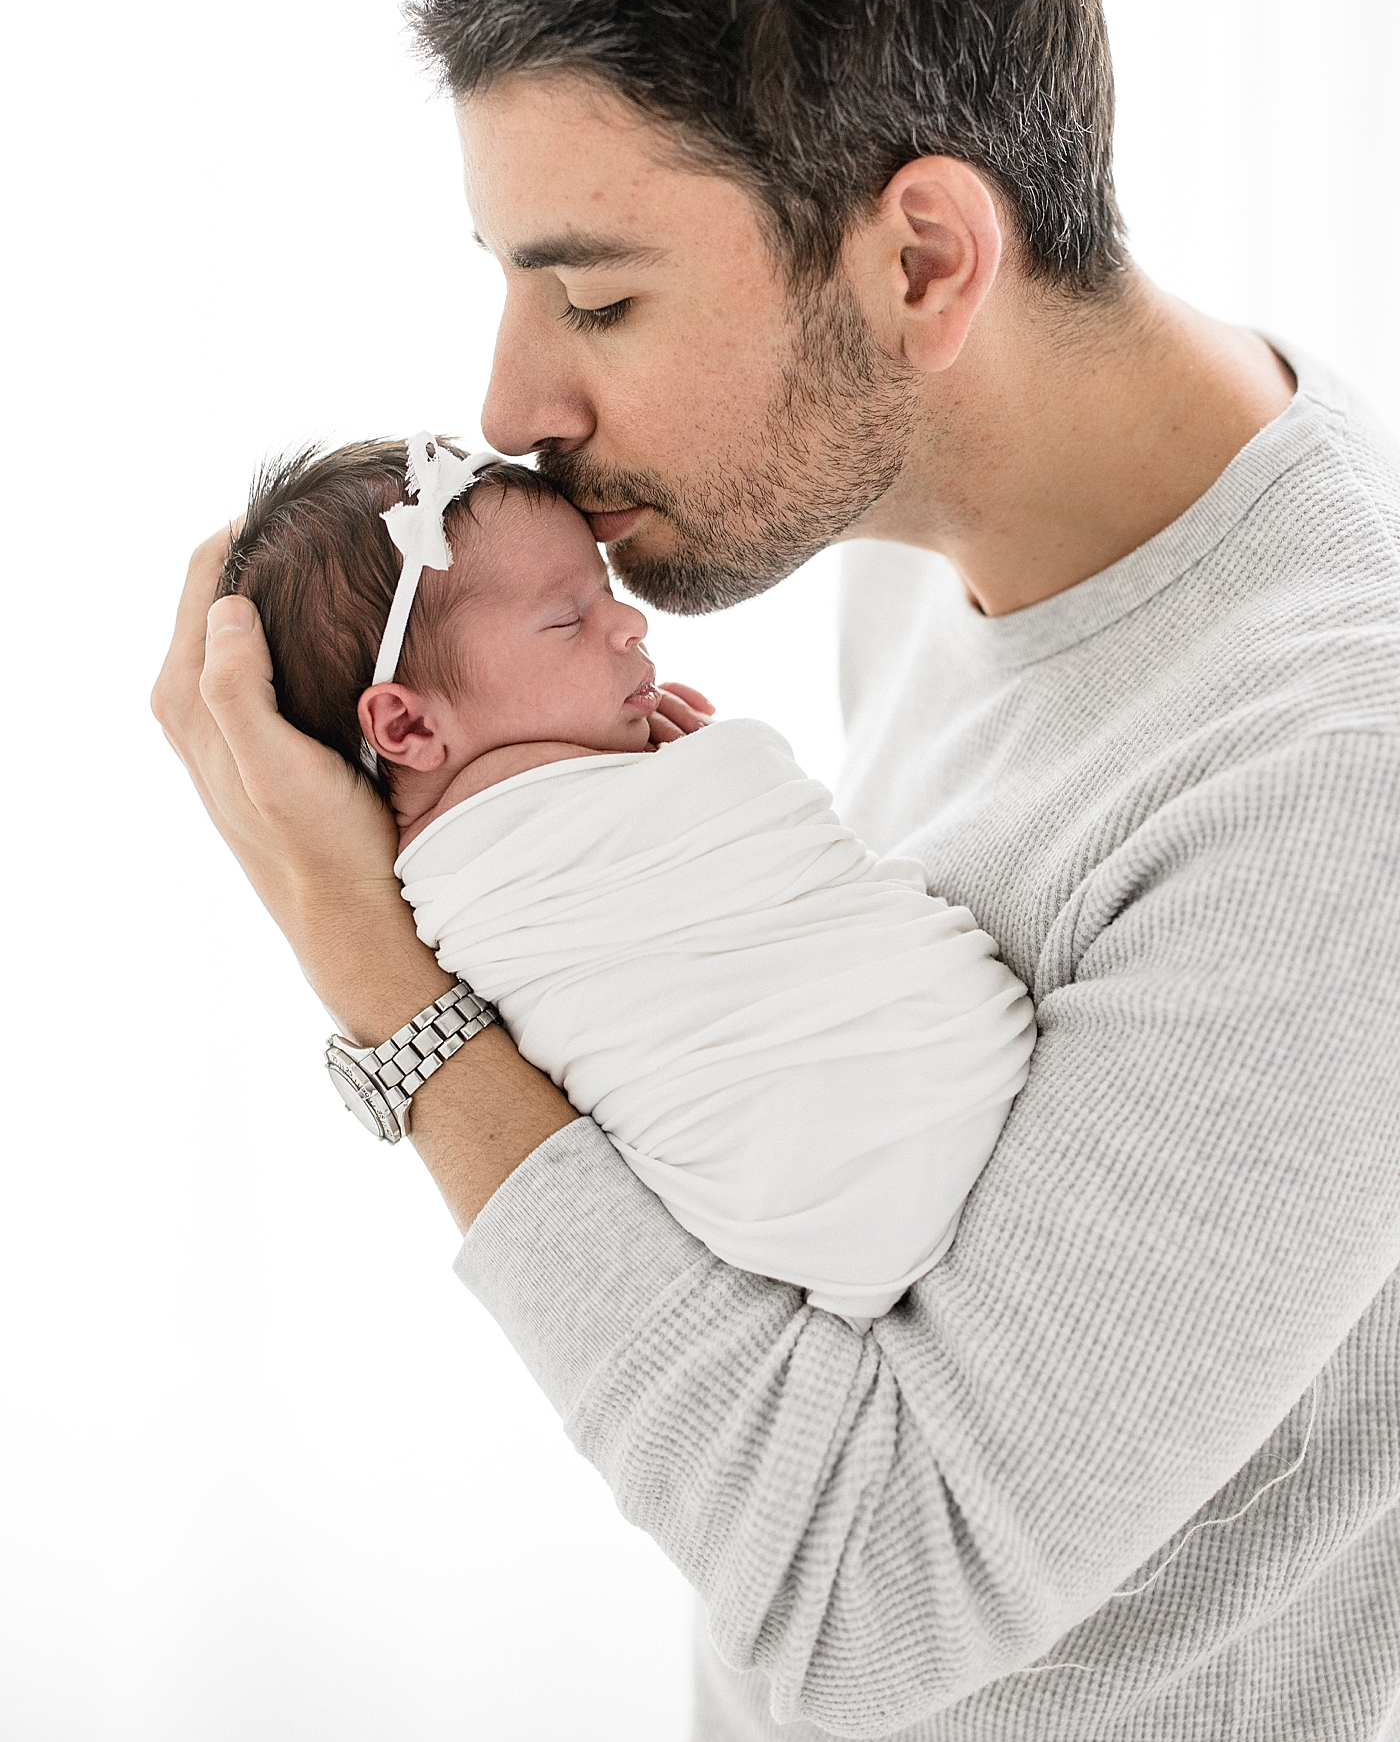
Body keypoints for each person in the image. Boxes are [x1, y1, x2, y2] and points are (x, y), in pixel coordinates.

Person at [153, 0, 1400, 1742]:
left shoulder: (1331, 784)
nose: (515, 405)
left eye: (601, 297)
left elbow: (867, 1595)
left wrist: (378, 971)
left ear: (919, 263)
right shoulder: (921, 518)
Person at [221, 432, 1034, 1322]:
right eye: (567, 619)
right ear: (408, 728)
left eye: (604, 594)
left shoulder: (465, 868)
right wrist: (712, 780)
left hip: (813, 1225)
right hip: (888, 1140)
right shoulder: (477, 873)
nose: (629, 624)